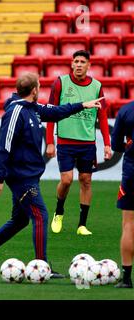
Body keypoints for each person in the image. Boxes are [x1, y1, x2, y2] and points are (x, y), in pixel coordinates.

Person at [0, 72, 104, 277]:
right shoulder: (16, 112)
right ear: (35, 90)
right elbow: (3, 146)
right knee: (40, 216)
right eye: (39, 85)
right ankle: (43, 267)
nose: (40, 88)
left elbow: (56, 111)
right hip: (21, 177)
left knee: (20, 220)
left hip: (29, 174)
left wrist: (82, 105)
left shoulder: (32, 108)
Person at [46, 50, 111, 236]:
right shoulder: (60, 83)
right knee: (66, 180)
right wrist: (50, 141)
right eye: (76, 61)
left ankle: (82, 225)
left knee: (86, 181)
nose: (79, 64)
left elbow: (103, 116)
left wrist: (107, 143)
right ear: (72, 64)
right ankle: (59, 211)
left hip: (87, 144)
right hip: (65, 142)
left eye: (83, 61)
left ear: (89, 65)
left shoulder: (97, 86)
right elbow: (51, 114)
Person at [111, 101, 134, 288]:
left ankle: (126, 279)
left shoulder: (127, 109)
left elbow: (116, 145)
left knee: (129, 225)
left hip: (132, 171)